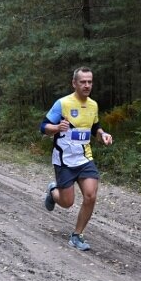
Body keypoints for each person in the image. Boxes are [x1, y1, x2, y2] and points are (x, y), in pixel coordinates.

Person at [40, 66, 113, 251]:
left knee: (90, 195)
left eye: (89, 81)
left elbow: (95, 126)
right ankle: (52, 191)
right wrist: (56, 128)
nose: (87, 85)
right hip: (64, 160)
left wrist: (102, 134)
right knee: (67, 202)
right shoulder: (63, 104)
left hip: (84, 158)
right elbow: (43, 126)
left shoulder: (93, 105)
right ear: (74, 83)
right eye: (83, 81)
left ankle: (77, 235)